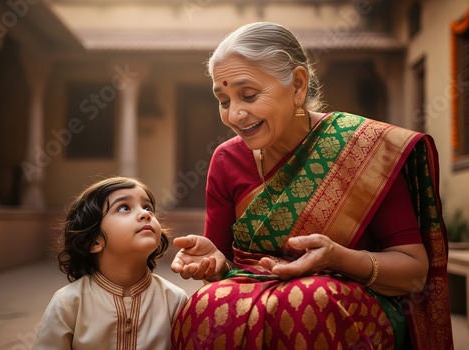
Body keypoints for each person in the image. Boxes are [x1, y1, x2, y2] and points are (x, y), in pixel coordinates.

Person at [170, 22, 453, 350]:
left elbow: (415, 272)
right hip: (255, 305)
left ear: (298, 85)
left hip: (342, 308)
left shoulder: (360, 148)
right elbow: (224, 275)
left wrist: (338, 259)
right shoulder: (225, 160)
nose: (235, 114)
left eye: (248, 95)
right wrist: (214, 263)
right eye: (223, 100)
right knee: (201, 307)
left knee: (306, 301)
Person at [32, 176, 188, 350]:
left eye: (147, 207)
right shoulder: (69, 302)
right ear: (93, 241)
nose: (145, 214)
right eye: (124, 208)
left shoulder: (174, 299)